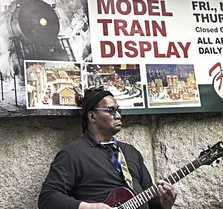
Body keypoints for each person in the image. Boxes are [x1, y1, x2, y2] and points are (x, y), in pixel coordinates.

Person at [38, 88, 177, 209]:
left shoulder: (131, 152)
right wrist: (89, 207)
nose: (118, 115)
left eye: (118, 110)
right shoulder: (73, 153)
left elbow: (150, 201)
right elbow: (47, 198)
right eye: (111, 110)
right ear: (92, 116)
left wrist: (165, 204)